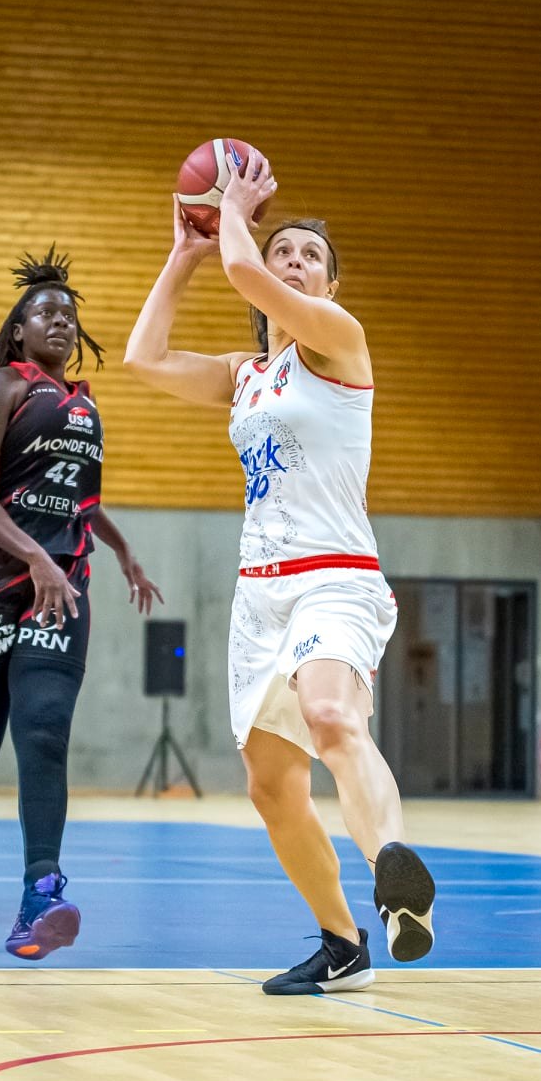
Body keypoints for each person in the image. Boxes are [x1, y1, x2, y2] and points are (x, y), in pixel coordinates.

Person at [124, 155, 436, 995]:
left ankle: (396, 877)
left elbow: (242, 267)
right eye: (284, 250)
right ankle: (343, 945)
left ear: (329, 287)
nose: (291, 262)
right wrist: (182, 255)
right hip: (258, 594)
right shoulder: (244, 375)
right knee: (271, 787)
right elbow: (143, 356)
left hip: (335, 576)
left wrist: (231, 209)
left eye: (308, 258)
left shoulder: (339, 343)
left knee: (333, 715)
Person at [0, 250, 163, 960]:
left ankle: (39, 893)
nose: (61, 321)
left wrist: (121, 549)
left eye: (70, 315)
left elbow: (79, 499)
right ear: (18, 331)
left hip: (59, 581)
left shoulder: (83, 405)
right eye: (46, 311)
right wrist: (35, 556)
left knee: (44, 729)